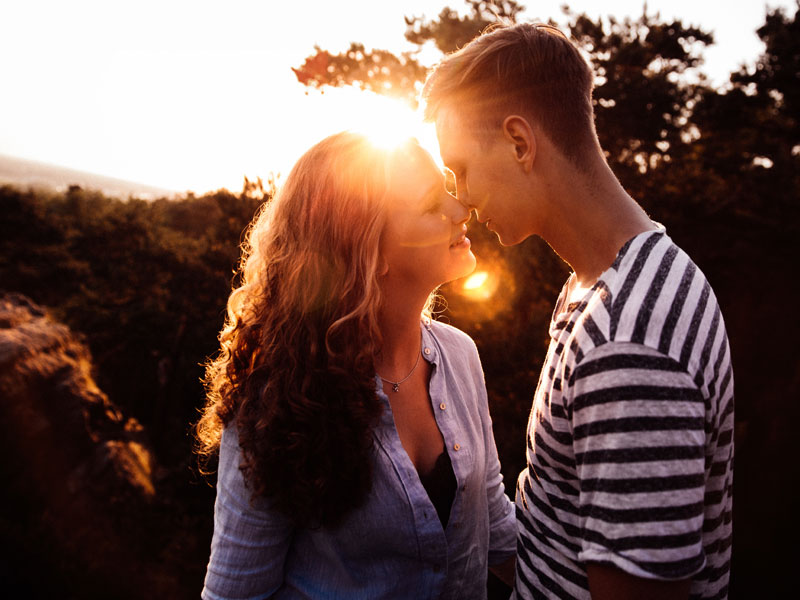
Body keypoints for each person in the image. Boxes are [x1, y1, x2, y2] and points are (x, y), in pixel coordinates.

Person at [422, 23, 734, 600]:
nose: (460, 196)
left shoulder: (630, 339)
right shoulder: (598, 286)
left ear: (520, 142)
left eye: (461, 167)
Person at [195, 131, 517, 599]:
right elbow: (235, 592)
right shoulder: (280, 395)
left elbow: (497, 530)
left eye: (448, 188)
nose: (459, 208)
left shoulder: (461, 356)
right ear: (371, 252)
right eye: (432, 204)